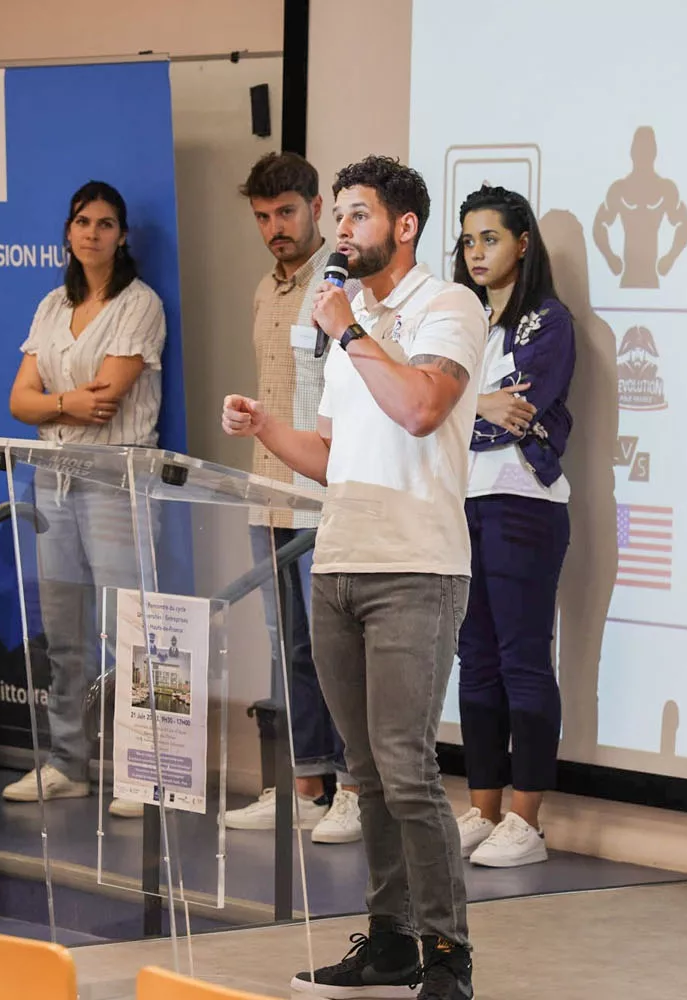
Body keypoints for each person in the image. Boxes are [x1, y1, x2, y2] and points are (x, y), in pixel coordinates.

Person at [224, 155, 483, 1000]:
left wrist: (346, 332)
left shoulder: (447, 306)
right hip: (337, 561)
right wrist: (267, 428)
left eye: (357, 215)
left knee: (406, 766)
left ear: (404, 226)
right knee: (363, 772)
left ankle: (447, 953)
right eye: (337, 215)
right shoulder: (352, 320)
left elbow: (420, 408)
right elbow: (331, 457)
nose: (340, 229)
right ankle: (390, 941)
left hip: (415, 567)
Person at [2, 180, 167, 820]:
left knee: (134, 630)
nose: (92, 233)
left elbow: (108, 400)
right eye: (82, 222)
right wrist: (65, 402)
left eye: (105, 224)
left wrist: (56, 403)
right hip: (53, 478)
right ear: (68, 232)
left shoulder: (140, 303)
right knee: (64, 631)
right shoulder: (52, 304)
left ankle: (146, 769)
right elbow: (18, 402)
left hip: (115, 479)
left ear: (122, 236)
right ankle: (68, 762)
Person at [224, 151, 361, 845]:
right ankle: (305, 785)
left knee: (338, 648)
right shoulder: (264, 289)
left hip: (325, 491)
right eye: (261, 217)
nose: (274, 228)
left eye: (285, 212)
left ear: (315, 207)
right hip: (268, 490)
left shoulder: (342, 286)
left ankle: (354, 789)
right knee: (289, 648)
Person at [449, 186, 575, 868]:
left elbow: (517, 413)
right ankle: (483, 808)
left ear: (522, 244)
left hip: (523, 501)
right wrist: (475, 403)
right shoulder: (458, 320)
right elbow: (431, 407)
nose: (476, 252)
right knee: (474, 657)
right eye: (468, 240)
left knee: (523, 657)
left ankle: (526, 820)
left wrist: (461, 408)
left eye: (490, 238)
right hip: (459, 501)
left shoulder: (547, 322)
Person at [592, 126, 687, 289]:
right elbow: (600, 224)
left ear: (654, 152)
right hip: (626, 280)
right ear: (632, 152)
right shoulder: (619, 189)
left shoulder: (665, 189)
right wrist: (610, 257)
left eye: (648, 149)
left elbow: (683, 223)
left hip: (653, 281)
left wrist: (671, 257)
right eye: (639, 149)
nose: (643, 154)